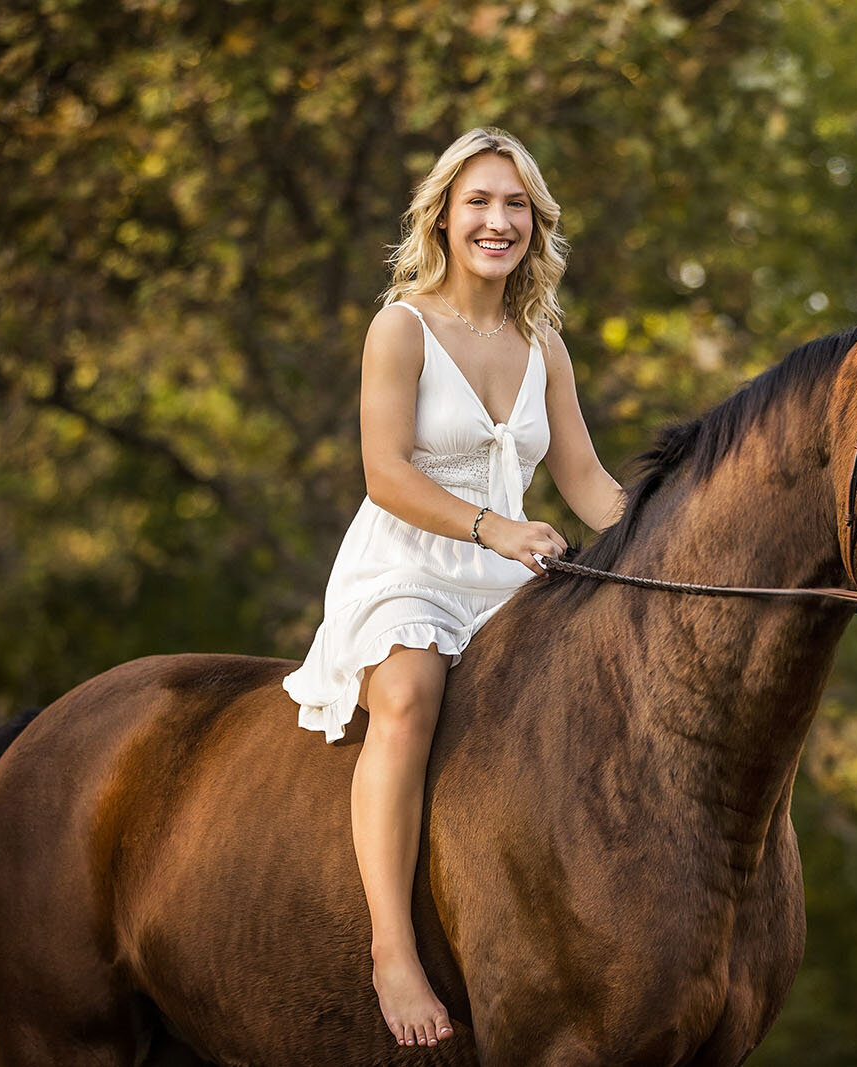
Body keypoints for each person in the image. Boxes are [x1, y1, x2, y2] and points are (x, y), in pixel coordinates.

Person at [282, 128, 624, 1049]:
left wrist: (665, 541)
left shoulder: (542, 342)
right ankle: (393, 948)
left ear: (535, 224)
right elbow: (384, 472)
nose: (498, 221)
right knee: (410, 694)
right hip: (410, 562)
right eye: (479, 201)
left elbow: (587, 478)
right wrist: (496, 527)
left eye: (515, 205)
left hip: (508, 578)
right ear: (443, 214)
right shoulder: (402, 327)